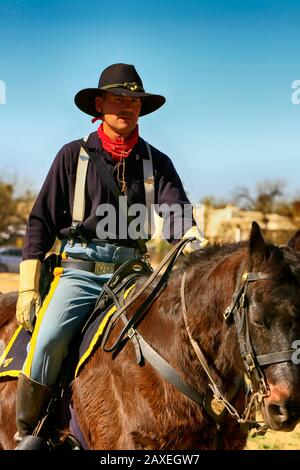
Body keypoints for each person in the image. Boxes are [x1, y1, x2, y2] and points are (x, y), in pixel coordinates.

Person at [15, 63, 205, 448]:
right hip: (81, 272)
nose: (127, 107)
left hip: (135, 272)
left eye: (134, 101)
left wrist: (197, 248)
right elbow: (40, 221)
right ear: (99, 104)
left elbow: (178, 219)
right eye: (118, 99)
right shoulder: (73, 155)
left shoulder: (158, 162)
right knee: (49, 340)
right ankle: (29, 432)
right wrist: (26, 287)